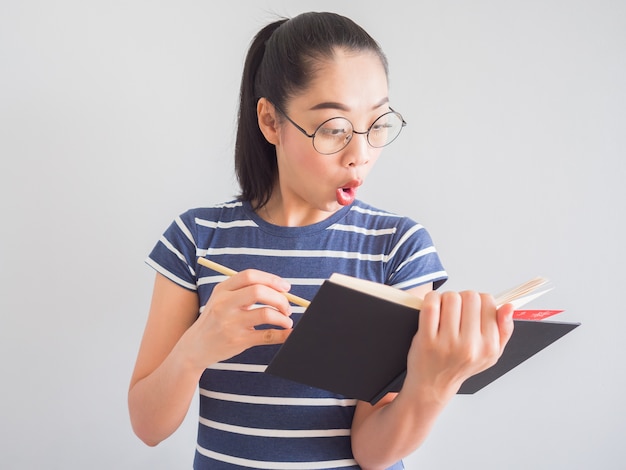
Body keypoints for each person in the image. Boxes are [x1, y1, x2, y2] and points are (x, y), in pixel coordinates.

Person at [128, 11, 514, 470]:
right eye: (335, 129)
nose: (361, 155)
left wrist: (433, 384)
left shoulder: (397, 246)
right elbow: (148, 428)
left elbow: (372, 453)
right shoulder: (196, 239)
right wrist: (197, 347)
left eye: (377, 124)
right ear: (271, 121)